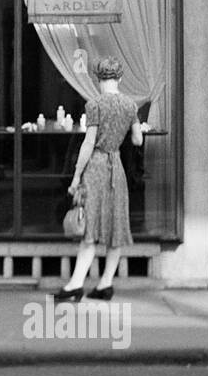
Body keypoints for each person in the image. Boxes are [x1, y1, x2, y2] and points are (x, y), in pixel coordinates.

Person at [53, 56, 145, 305]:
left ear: (98, 78)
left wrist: (75, 176)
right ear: (120, 78)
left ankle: (75, 285)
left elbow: (88, 143)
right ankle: (105, 284)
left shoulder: (94, 105)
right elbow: (137, 140)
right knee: (115, 227)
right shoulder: (130, 105)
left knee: (89, 228)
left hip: (95, 167)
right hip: (116, 168)